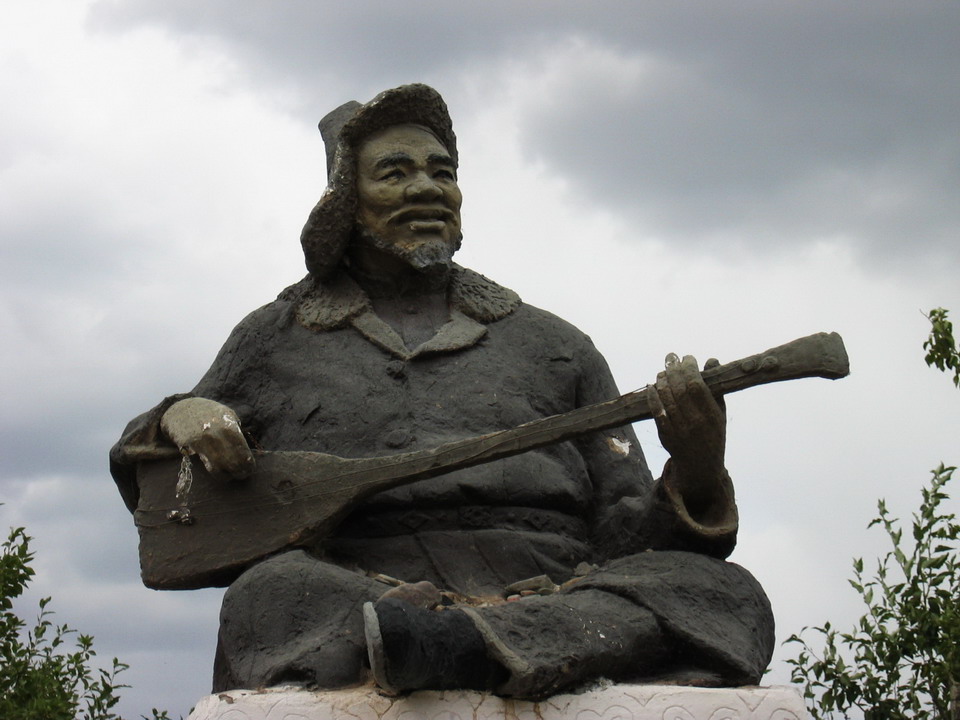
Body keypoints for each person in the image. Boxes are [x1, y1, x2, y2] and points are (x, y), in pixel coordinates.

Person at [110, 84, 774, 699]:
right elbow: (160, 485)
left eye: (442, 172)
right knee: (270, 594)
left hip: (559, 588)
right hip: (369, 591)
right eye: (395, 173)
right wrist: (181, 417)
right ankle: (459, 642)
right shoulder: (275, 336)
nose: (427, 187)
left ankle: (456, 646)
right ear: (345, 200)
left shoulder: (555, 344)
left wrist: (697, 467)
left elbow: (628, 536)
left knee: (719, 591)